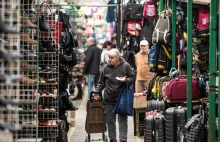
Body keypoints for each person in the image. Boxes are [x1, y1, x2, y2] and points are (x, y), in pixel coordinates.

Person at [93, 49, 134, 142]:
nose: (109, 60)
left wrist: (126, 80)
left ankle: (123, 139)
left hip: (122, 98)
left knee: (122, 120)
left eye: (111, 58)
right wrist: (96, 92)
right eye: (109, 58)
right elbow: (101, 82)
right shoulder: (106, 68)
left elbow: (132, 78)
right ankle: (112, 139)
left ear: (117, 57)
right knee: (110, 121)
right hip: (109, 98)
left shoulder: (126, 66)